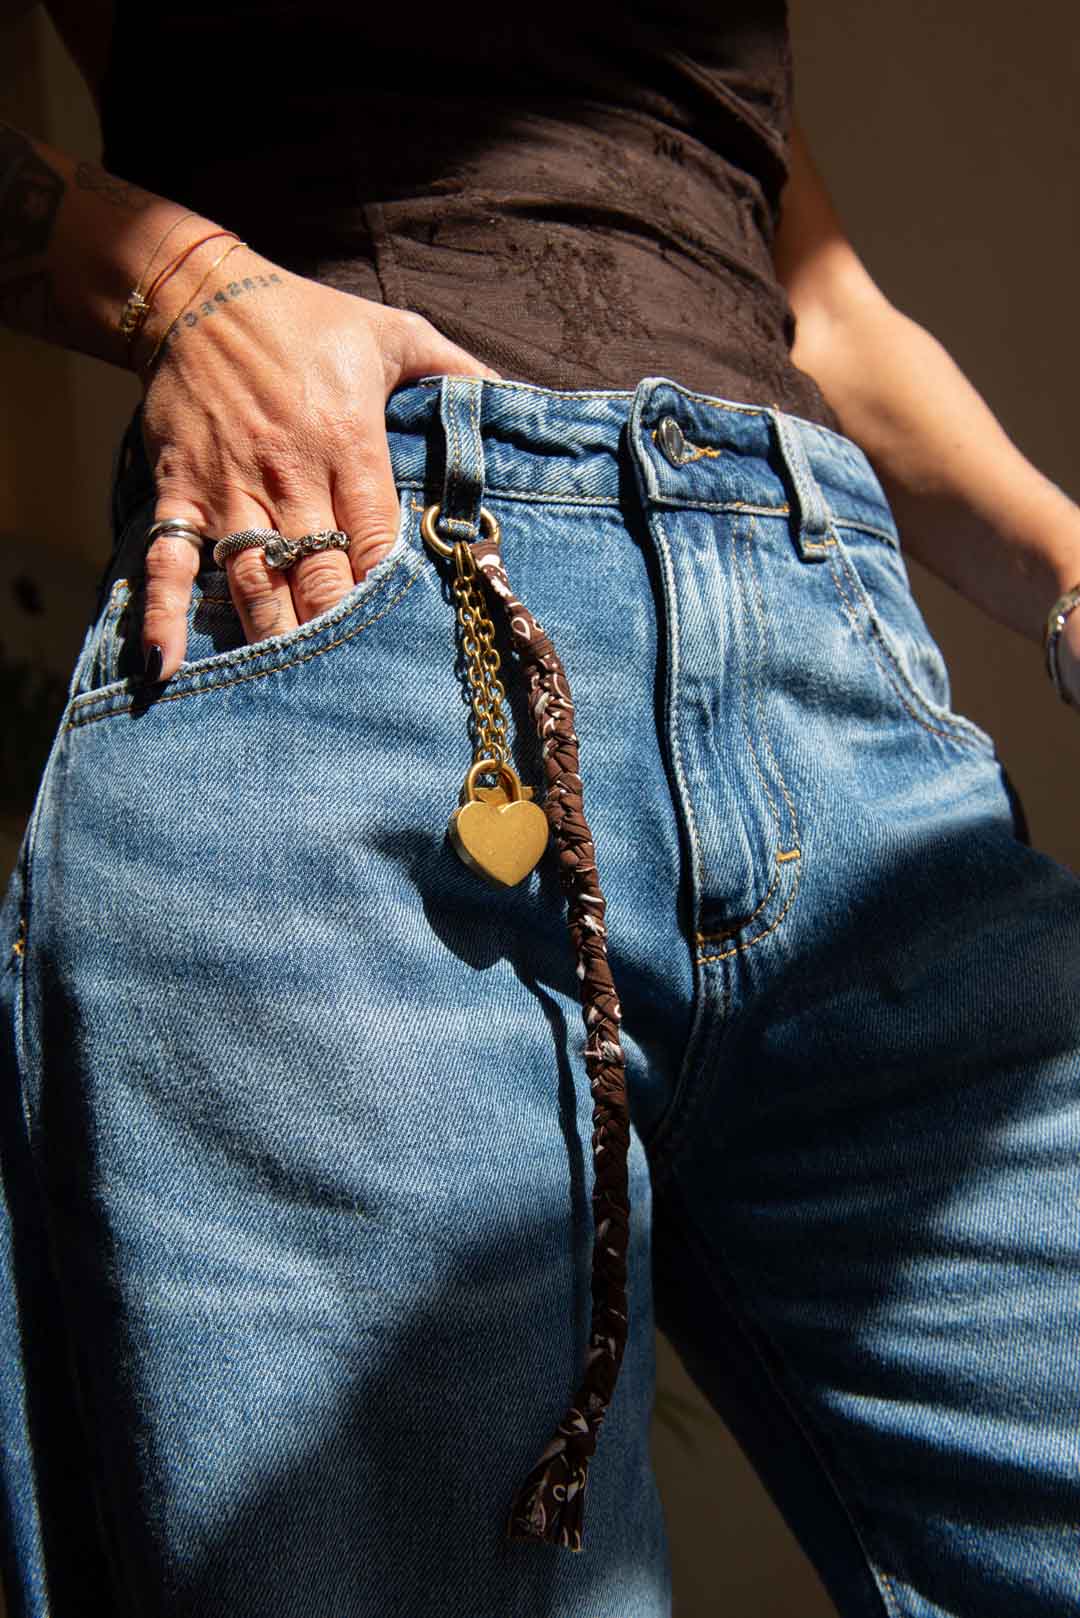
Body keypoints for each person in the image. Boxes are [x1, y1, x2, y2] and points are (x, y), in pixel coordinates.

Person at [1, 2, 1078, 1615]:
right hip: (360, 615)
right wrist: (188, 289)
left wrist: (1067, 559)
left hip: (842, 688)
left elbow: (828, 309)